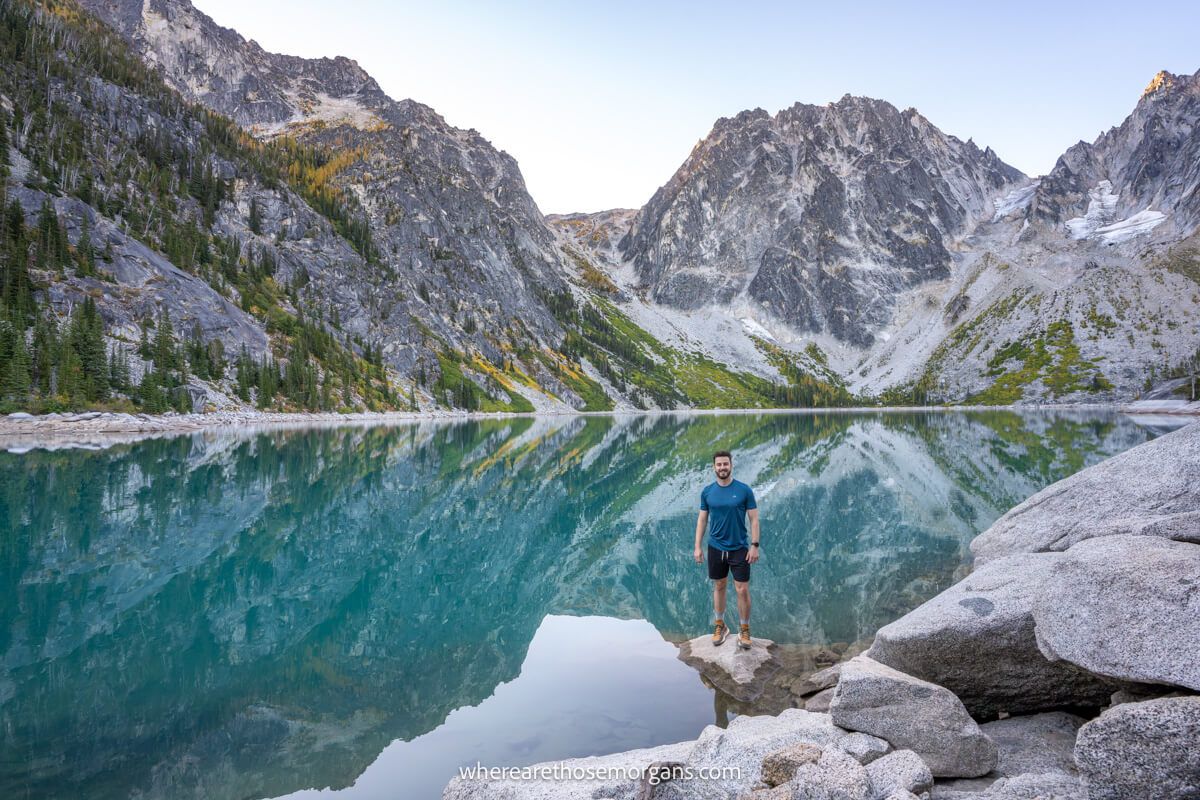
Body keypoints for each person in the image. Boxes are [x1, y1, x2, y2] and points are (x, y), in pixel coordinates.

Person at [693, 450, 760, 650]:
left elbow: (754, 519)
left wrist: (754, 545)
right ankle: (720, 626)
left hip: (739, 548)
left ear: (731, 465)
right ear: (714, 467)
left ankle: (745, 629)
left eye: (725, 464)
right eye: (719, 464)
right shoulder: (707, 492)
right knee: (719, 586)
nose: (722, 467)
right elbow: (702, 519)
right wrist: (697, 546)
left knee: (742, 589)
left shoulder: (744, 490)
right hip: (715, 548)